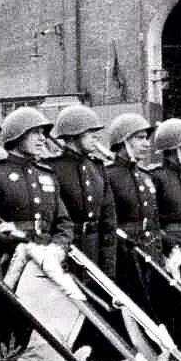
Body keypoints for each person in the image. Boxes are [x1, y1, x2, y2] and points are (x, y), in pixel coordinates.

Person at [0, 107, 72, 262]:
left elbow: (64, 222)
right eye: (35, 133)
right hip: (11, 259)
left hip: (48, 259)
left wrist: (57, 248)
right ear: (17, 136)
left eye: (43, 133)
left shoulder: (46, 174)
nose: (42, 139)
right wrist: (9, 239)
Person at [45, 105, 117, 279]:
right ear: (73, 135)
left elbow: (109, 220)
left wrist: (108, 266)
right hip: (68, 251)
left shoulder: (97, 168)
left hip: (95, 251)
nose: (95, 136)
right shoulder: (52, 167)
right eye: (89, 131)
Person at [103, 113, 160, 299]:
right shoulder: (108, 175)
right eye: (140, 138)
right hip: (124, 256)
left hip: (148, 252)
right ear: (124, 141)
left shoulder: (145, 175)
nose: (147, 144)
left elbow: (153, 221)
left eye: (147, 138)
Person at [148, 118, 181, 264]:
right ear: (175, 148)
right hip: (168, 252)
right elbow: (152, 221)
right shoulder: (157, 177)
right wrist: (168, 245)